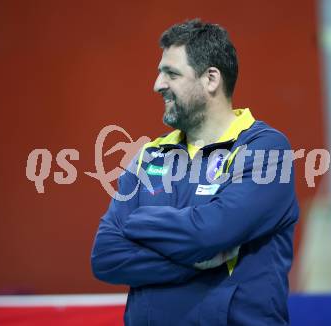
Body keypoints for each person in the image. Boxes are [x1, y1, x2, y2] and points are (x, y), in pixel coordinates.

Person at [91, 18, 299, 326]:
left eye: (171, 73)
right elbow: (105, 256)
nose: (157, 84)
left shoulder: (266, 149)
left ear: (211, 79)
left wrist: (137, 225)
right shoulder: (149, 156)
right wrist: (203, 261)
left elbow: (209, 233)